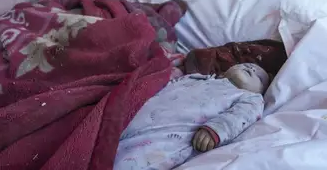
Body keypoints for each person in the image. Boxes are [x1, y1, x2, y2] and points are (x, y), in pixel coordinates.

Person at [114, 63, 269, 170]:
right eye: (245, 64)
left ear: (260, 91)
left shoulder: (251, 98)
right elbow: (166, 83)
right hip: (140, 116)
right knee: (108, 142)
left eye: (260, 77)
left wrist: (215, 130)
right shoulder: (198, 77)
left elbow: (240, 116)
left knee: (129, 162)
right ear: (226, 70)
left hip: (170, 137)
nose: (251, 68)